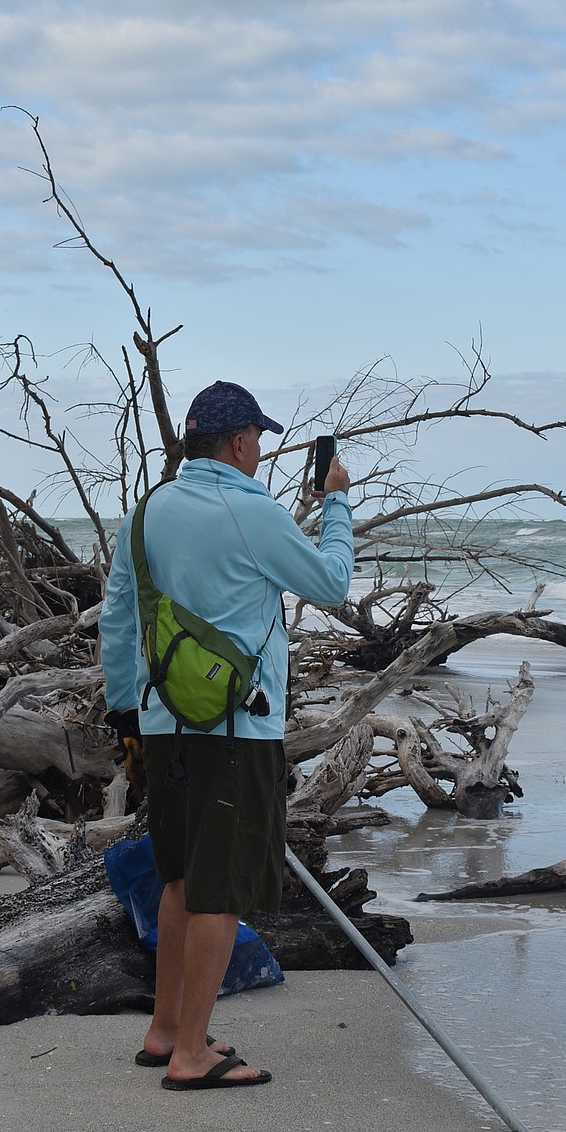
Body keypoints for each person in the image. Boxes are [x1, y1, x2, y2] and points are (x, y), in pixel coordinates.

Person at [100, 380, 353, 1090]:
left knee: (181, 880)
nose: (261, 452)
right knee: (219, 891)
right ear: (240, 441)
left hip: (161, 724)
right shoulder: (253, 510)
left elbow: (118, 618)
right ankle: (189, 1058)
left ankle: (165, 1030)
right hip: (235, 728)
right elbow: (331, 584)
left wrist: (128, 713)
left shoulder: (145, 513)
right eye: (259, 440)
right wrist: (336, 501)